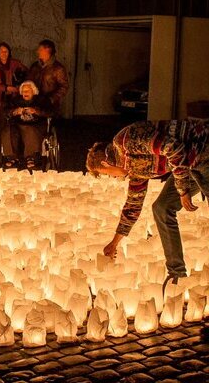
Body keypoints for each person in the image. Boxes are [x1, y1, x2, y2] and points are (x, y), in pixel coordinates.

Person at [86, 119, 209, 286]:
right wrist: (114, 243)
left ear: (105, 163)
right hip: (187, 165)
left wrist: (183, 190)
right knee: (161, 208)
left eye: (108, 174)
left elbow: (173, 148)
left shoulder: (126, 141)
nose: (113, 178)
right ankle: (177, 274)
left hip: (202, 147)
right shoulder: (134, 171)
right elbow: (132, 207)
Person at [2, 80, 53, 169]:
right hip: (18, 124)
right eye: (23, 91)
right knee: (8, 130)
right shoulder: (16, 100)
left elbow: (50, 112)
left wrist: (36, 111)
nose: (25, 93)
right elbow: (6, 111)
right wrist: (14, 111)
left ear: (33, 91)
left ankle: (31, 157)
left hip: (36, 125)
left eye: (27, 91)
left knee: (29, 130)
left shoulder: (42, 100)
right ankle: (12, 157)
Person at [0, 42, 28, 153]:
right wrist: (7, 88)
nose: (4, 53)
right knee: (2, 127)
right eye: (1, 51)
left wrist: (20, 87)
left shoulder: (16, 64)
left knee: (15, 127)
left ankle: (16, 153)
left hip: (15, 100)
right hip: (1, 100)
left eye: (6, 51)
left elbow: (27, 73)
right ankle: (2, 154)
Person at [27, 39, 69, 115]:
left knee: (48, 125)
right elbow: (28, 82)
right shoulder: (35, 66)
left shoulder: (58, 68)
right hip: (34, 103)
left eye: (40, 49)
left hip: (50, 107)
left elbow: (64, 87)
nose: (37, 51)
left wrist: (51, 99)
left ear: (47, 50)